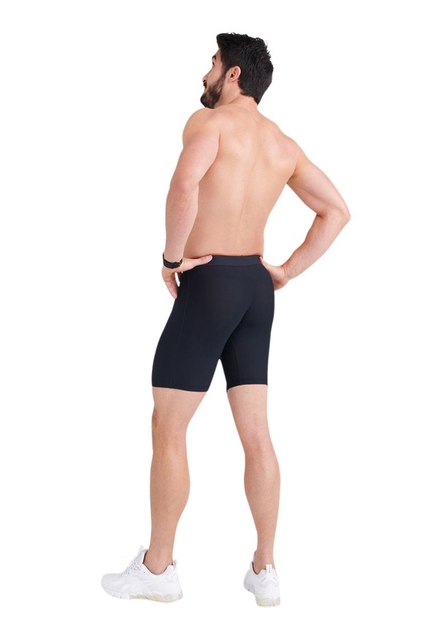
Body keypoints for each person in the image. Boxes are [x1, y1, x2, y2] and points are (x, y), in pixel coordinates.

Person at [102, 32, 350, 606]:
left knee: (169, 425)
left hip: (210, 283)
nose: (206, 72)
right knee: (256, 434)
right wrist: (284, 271)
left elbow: (184, 184)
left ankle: (158, 569)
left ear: (234, 74)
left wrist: (172, 259)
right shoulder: (283, 144)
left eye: (213, 62)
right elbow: (336, 211)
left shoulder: (208, 123)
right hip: (255, 291)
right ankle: (265, 569)